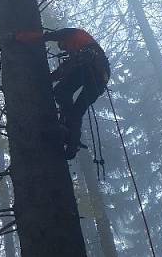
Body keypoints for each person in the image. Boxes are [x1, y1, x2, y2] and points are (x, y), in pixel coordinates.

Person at [13, 28, 110, 159]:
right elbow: (67, 68)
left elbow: (45, 38)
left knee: (61, 91)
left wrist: (20, 36)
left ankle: (67, 130)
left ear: (63, 40)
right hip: (101, 76)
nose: (65, 50)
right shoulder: (80, 49)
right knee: (77, 111)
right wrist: (50, 78)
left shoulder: (71, 35)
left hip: (90, 66)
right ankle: (71, 140)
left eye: (64, 47)